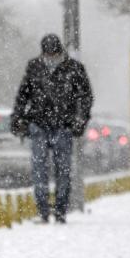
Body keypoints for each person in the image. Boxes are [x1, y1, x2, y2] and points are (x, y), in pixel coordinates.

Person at [10, 33, 93, 224]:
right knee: (40, 171)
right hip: (39, 125)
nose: (50, 58)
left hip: (63, 126)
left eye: (53, 54)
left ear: (59, 51)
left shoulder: (74, 69)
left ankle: (60, 210)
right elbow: (23, 95)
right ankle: (44, 211)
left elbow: (85, 97)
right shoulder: (35, 67)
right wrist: (18, 118)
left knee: (62, 171)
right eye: (47, 54)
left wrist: (81, 119)